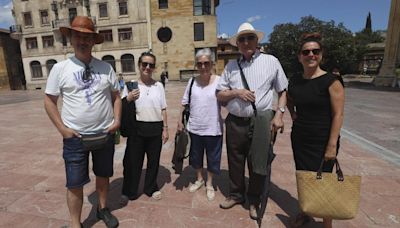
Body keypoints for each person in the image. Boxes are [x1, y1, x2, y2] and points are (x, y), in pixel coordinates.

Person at [44, 16, 120, 228]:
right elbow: (49, 101)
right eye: (78, 35)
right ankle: (75, 223)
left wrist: (117, 121)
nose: (82, 40)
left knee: (104, 175)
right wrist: (62, 129)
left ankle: (102, 208)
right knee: (75, 183)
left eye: (87, 37)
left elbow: (116, 96)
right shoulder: (60, 69)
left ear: (94, 41)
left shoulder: (106, 68)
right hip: (75, 138)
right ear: (71, 39)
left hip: (104, 134)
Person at [216, 22, 288, 220]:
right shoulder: (231, 66)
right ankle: (236, 195)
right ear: (237, 44)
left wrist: (280, 114)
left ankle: (254, 199)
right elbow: (220, 95)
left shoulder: (271, 61)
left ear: (257, 41)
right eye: (242, 39)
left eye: (250, 38)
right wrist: (236, 92)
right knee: (235, 159)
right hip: (235, 121)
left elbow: (282, 90)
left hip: (261, 121)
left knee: (258, 162)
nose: (246, 42)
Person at [287, 33, 345, 228]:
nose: (310, 54)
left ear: (321, 55)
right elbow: (289, 98)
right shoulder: (295, 80)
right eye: (306, 52)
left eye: (315, 51)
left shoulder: (331, 80)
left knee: (325, 181)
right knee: (304, 177)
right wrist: (292, 113)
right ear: (299, 56)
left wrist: (332, 144)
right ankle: (305, 212)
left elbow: (338, 115)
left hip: (323, 139)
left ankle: (327, 223)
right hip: (301, 138)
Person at [121, 51, 169, 203]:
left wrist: (166, 128)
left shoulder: (159, 86)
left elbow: (163, 108)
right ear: (139, 65)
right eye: (144, 64)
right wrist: (128, 98)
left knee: (153, 161)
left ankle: (151, 187)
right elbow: (121, 105)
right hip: (137, 128)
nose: (148, 67)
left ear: (154, 67)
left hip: (155, 127)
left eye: (151, 65)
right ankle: (129, 191)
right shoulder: (131, 85)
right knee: (132, 162)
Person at [177, 48, 223, 201]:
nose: (203, 67)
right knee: (196, 157)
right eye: (200, 64)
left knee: (213, 157)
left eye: (206, 63)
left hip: (213, 127)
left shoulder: (219, 81)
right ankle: (199, 179)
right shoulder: (192, 82)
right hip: (195, 127)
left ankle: (209, 183)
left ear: (212, 64)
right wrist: (179, 120)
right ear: (196, 65)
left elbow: (228, 101)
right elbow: (184, 103)